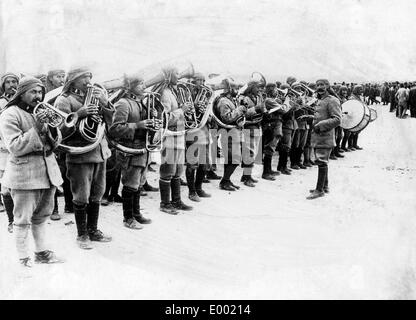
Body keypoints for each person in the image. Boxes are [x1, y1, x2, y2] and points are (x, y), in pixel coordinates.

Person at [0, 76, 64, 266]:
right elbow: (15, 147)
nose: (38, 96)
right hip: (24, 175)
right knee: (22, 219)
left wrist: (51, 129)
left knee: (42, 217)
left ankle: (41, 253)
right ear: (22, 93)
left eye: (40, 92)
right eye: (33, 92)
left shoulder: (42, 110)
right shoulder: (10, 114)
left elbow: (55, 143)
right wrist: (37, 126)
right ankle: (23, 257)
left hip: (47, 174)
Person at [54, 67, 113, 249]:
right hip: (80, 154)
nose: (88, 81)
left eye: (90, 77)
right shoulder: (64, 100)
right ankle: (82, 234)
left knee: (97, 193)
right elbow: (58, 130)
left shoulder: (95, 97)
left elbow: (110, 122)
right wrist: (79, 114)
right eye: (84, 78)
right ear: (73, 80)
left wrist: (105, 103)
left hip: (98, 151)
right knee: (81, 196)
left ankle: (93, 230)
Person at [108, 75, 152, 229]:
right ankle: (128, 218)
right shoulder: (123, 103)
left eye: (143, 82)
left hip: (143, 148)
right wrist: (138, 125)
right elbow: (114, 129)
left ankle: (136, 213)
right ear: (129, 86)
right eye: (140, 83)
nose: (143, 86)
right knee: (130, 184)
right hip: (130, 149)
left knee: (139, 184)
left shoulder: (141, 102)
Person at [154, 66, 193, 214]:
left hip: (180, 135)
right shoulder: (165, 93)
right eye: (176, 73)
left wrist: (188, 111)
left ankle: (176, 201)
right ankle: (165, 203)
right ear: (169, 75)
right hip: (169, 136)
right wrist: (182, 110)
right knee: (168, 170)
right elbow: (165, 119)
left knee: (178, 170)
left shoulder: (176, 91)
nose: (180, 75)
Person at [306, 79, 341, 200]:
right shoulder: (320, 100)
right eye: (318, 85)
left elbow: (337, 119)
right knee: (322, 161)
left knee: (321, 161)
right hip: (319, 136)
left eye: (323, 85)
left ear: (328, 86)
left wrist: (320, 125)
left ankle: (319, 190)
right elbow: (322, 115)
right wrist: (310, 117)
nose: (320, 87)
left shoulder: (332, 100)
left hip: (325, 136)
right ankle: (324, 186)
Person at [214, 78, 247, 191]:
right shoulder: (223, 101)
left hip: (234, 132)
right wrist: (240, 109)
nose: (237, 90)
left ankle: (226, 180)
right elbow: (227, 118)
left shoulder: (231, 100)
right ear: (229, 89)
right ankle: (224, 181)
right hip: (228, 133)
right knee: (235, 159)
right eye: (235, 88)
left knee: (231, 159)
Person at [45, 69, 68, 221]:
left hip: (63, 135)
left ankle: (69, 204)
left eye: (62, 76)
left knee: (65, 171)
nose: (61, 79)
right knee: (52, 173)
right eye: (58, 77)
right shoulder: (46, 93)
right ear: (50, 79)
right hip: (49, 134)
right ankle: (53, 208)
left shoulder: (65, 93)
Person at [185, 72, 212, 202]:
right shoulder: (186, 93)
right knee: (192, 164)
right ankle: (191, 191)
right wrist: (195, 107)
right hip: (192, 132)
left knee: (204, 164)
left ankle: (199, 188)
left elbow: (208, 111)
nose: (200, 83)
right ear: (192, 81)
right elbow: (184, 112)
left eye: (202, 81)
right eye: (198, 80)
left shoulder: (205, 94)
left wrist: (207, 113)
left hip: (204, 132)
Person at [0, 72, 19, 232]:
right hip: (3, 150)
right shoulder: (0, 102)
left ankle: (21, 219)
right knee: (6, 187)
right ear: (3, 85)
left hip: (19, 149)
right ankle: (11, 220)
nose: (11, 85)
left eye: (14, 82)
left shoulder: (22, 103)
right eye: (8, 82)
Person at [238, 80, 266, 187]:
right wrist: (256, 109)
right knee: (249, 152)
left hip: (257, 126)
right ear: (251, 87)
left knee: (253, 152)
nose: (259, 90)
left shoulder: (258, 97)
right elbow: (242, 113)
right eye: (257, 87)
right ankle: (247, 178)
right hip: (249, 126)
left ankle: (246, 176)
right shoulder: (244, 98)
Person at [261, 83, 286, 180]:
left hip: (275, 125)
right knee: (270, 147)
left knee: (272, 147)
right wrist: (286, 102)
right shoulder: (269, 100)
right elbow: (283, 110)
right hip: (272, 125)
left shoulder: (272, 100)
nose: (278, 91)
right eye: (276, 89)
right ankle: (266, 172)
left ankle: (269, 170)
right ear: (272, 90)